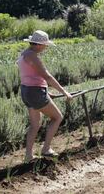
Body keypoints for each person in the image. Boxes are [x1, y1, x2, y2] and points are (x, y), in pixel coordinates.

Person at [17, 30, 72, 162]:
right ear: (39, 44)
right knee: (57, 117)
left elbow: (30, 76)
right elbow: (47, 76)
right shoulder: (33, 56)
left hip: (27, 91)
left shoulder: (24, 54)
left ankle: (28, 156)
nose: (46, 47)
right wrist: (64, 92)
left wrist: (46, 92)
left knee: (35, 125)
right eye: (45, 45)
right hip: (35, 92)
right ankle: (46, 149)